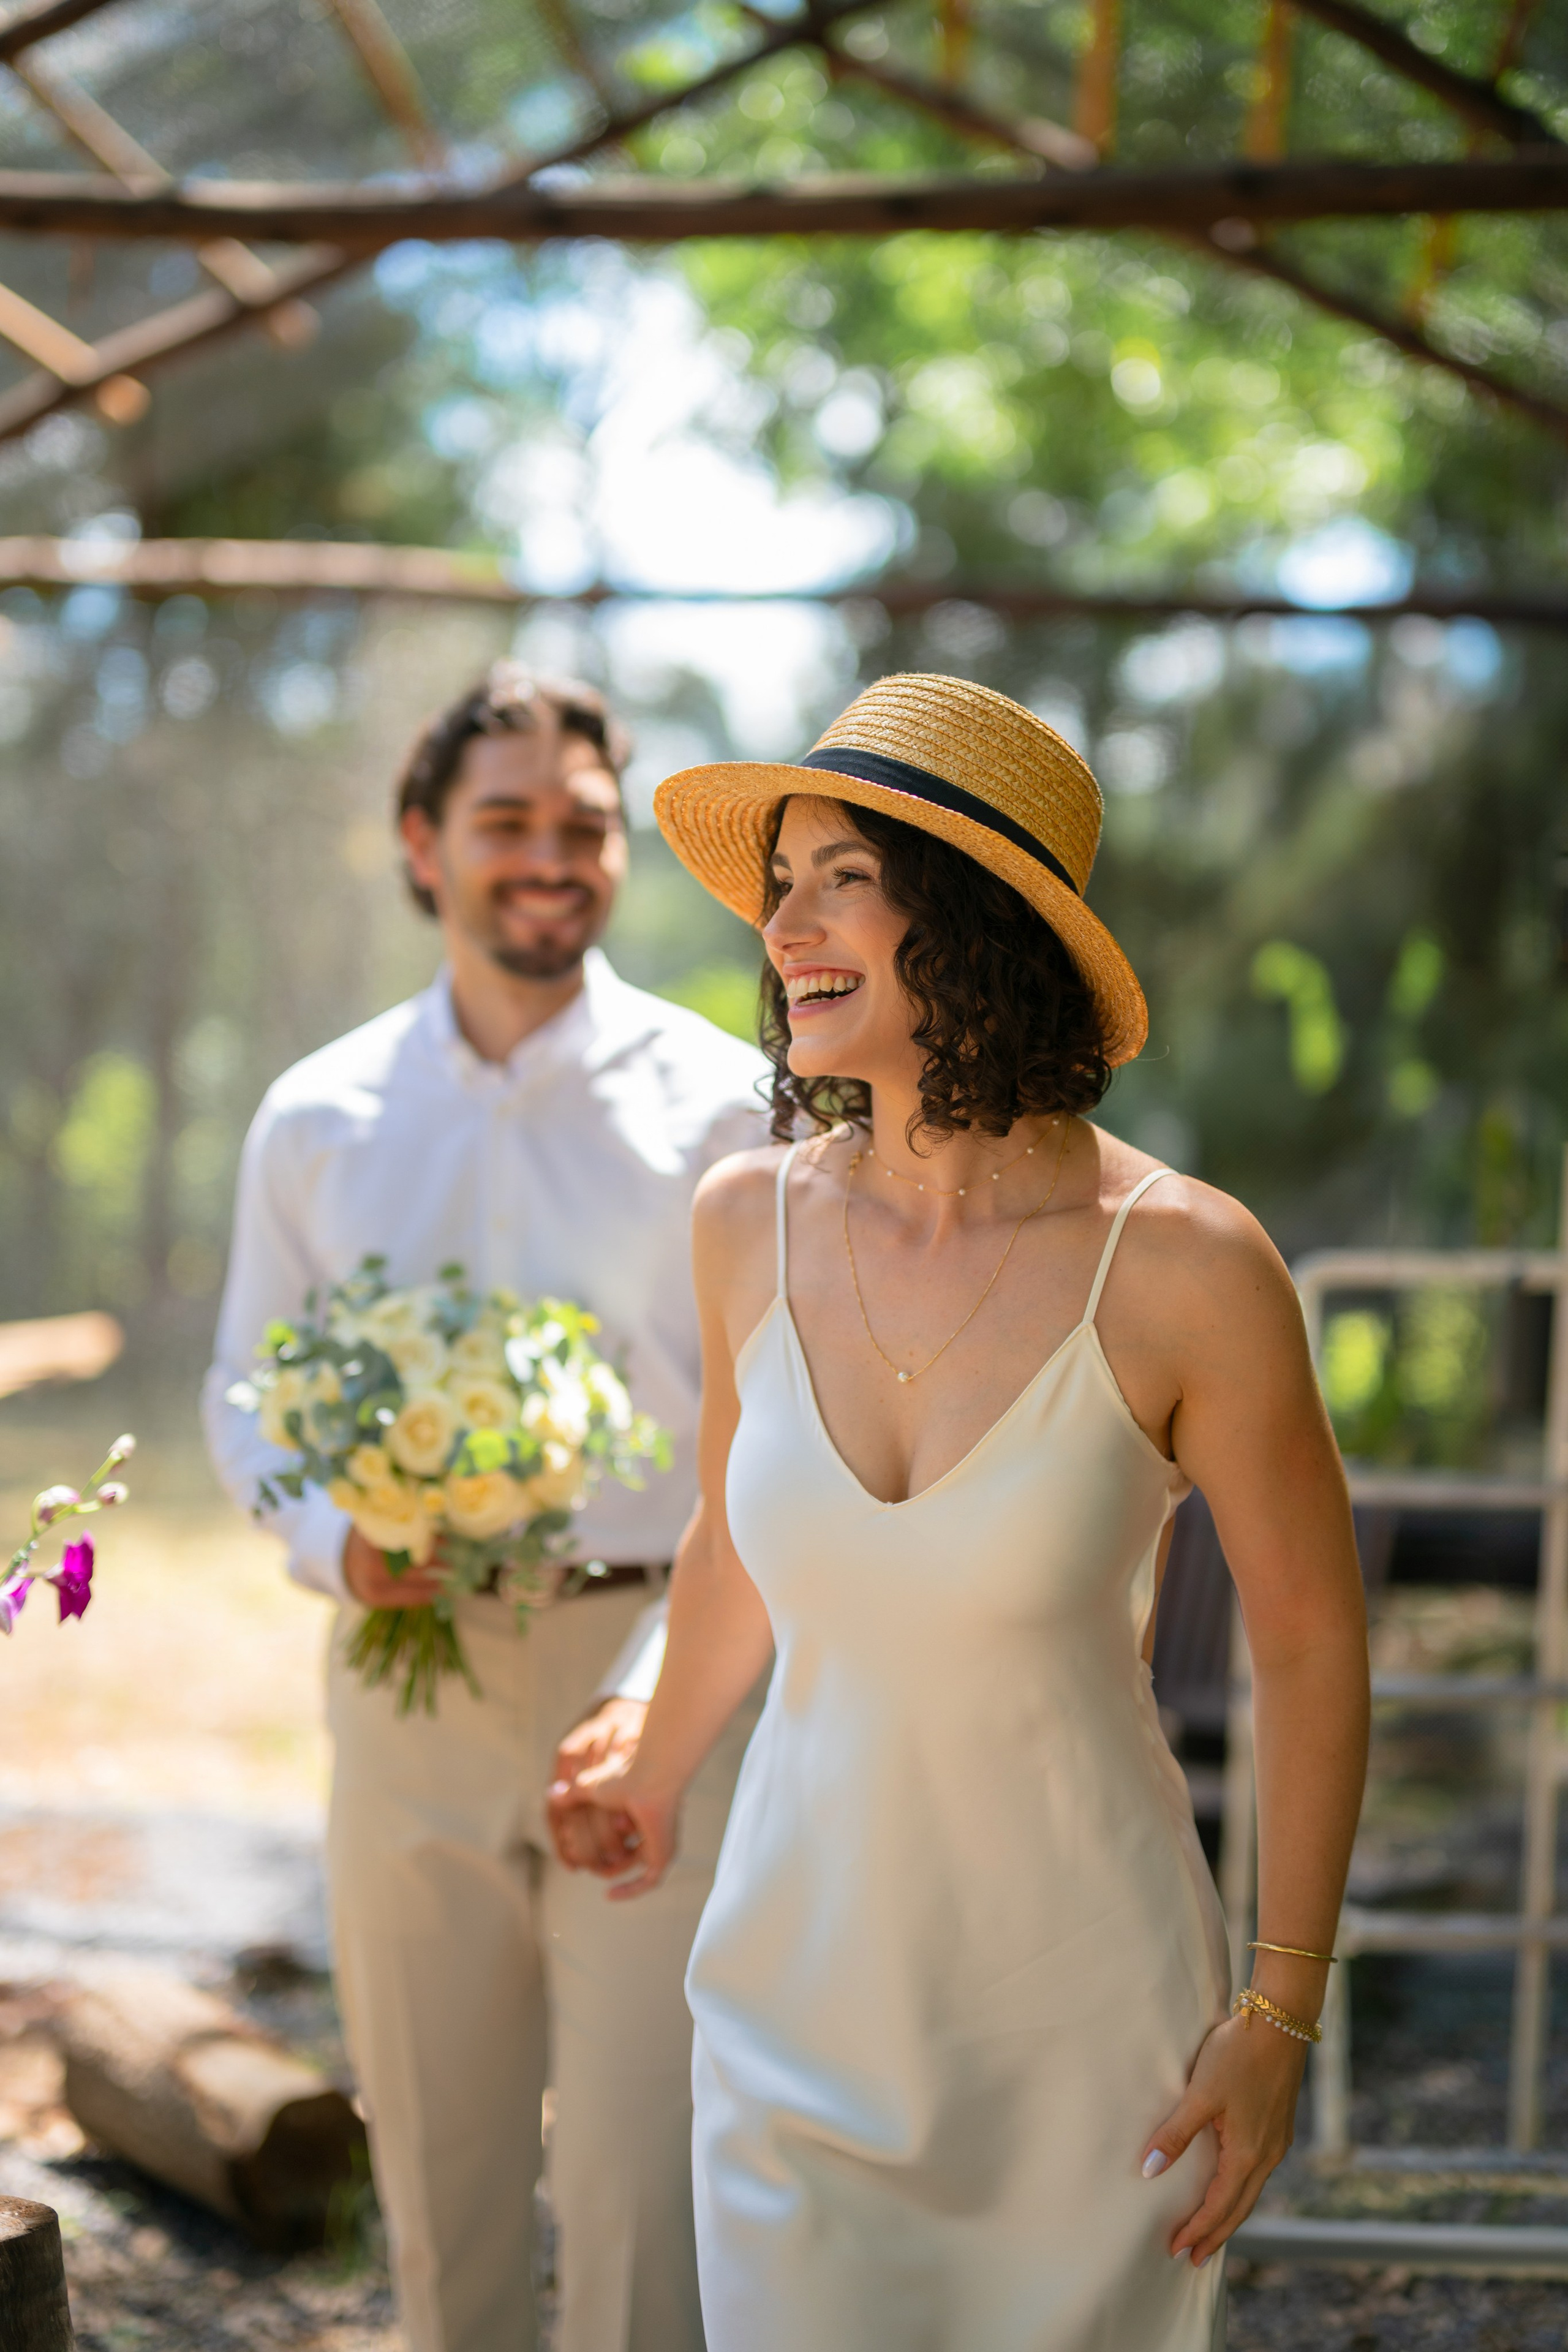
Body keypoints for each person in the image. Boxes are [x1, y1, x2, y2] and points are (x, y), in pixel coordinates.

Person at [548, 672, 1371, 2350]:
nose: (785, 926)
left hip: (1091, 2039)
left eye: (840, 873)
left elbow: (1310, 1641)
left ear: (979, 916)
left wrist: (1280, 2011)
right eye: (780, 884)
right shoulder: (739, 1226)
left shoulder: (1193, 1266)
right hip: (792, 2004)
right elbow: (733, 1548)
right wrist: (652, 1756)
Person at [203, 663, 769, 2352]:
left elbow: (773, 1443)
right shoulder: (316, 1117)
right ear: (420, 842)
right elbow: (247, 1392)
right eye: (505, 821)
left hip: (658, 1692)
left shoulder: (733, 1109)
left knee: (640, 2195)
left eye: (584, 826)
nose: (551, 856)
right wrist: (336, 1542)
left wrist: (666, 1689)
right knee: (439, 2192)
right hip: (406, 1680)